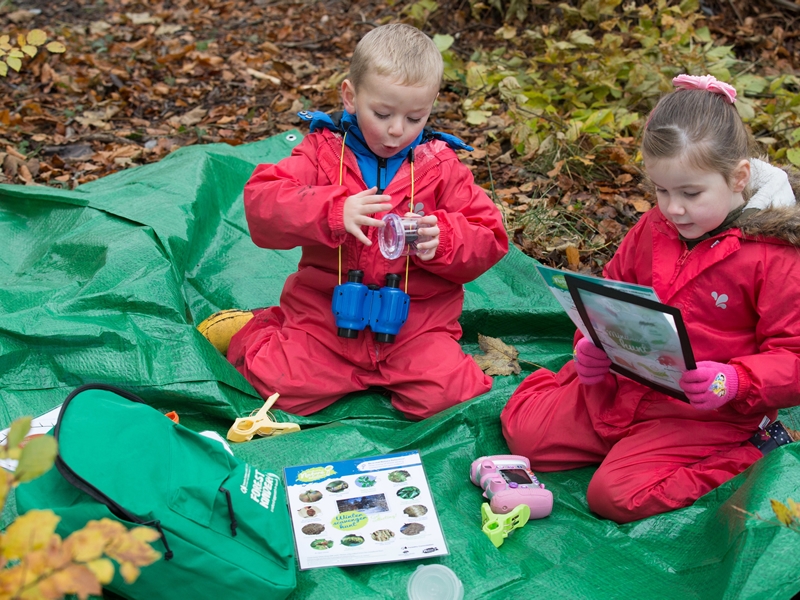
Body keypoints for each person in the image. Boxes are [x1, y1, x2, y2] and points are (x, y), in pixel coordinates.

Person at [501, 74, 800, 523]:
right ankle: (609, 430)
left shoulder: (774, 256)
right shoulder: (657, 225)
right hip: (624, 385)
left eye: (690, 193)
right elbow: (610, 288)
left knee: (613, 497)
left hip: (704, 414)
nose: (673, 208)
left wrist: (733, 382)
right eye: (661, 191)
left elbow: (793, 355)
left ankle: (756, 445)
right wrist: (591, 344)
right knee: (524, 435)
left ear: (738, 178)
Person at [213, 23, 508, 420]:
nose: (395, 130)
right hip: (325, 321)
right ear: (350, 96)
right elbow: (263, 201)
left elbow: (489, 236)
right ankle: (261, 326)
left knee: (452, 398)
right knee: (276, 385)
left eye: (414, 117)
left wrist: (446, 239)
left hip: (414, 328)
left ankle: (392, 370)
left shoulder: (440, 165)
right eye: (382, 113)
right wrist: (331, 210)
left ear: (432, 106)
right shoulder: (322, 153)